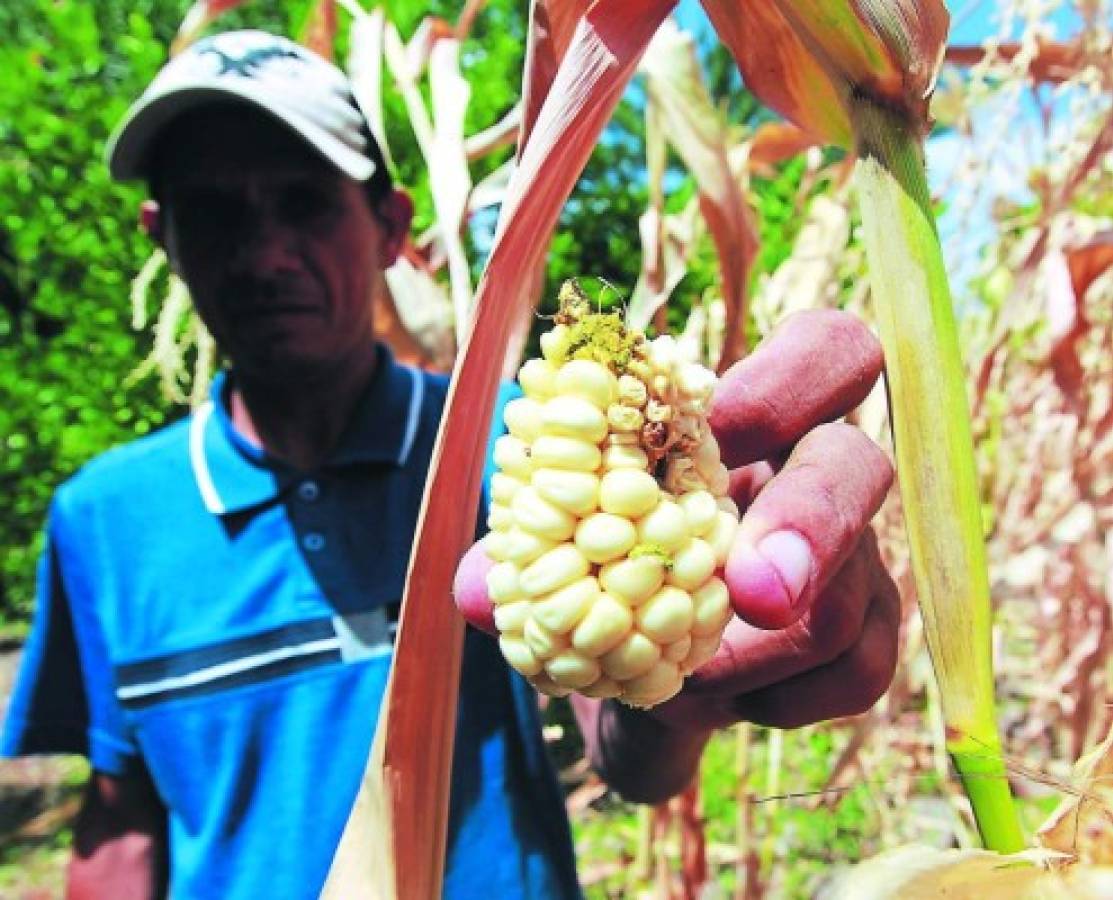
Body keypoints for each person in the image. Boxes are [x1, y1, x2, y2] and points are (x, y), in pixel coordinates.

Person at [1, 28, 900, 900]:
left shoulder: (497, 447)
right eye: (214, 211)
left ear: (391, 227)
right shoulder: (102, 520)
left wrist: (687, 679)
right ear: (163, 236)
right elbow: (119, 822)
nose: (265, 253)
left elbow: (629, 757)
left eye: (305, 201)